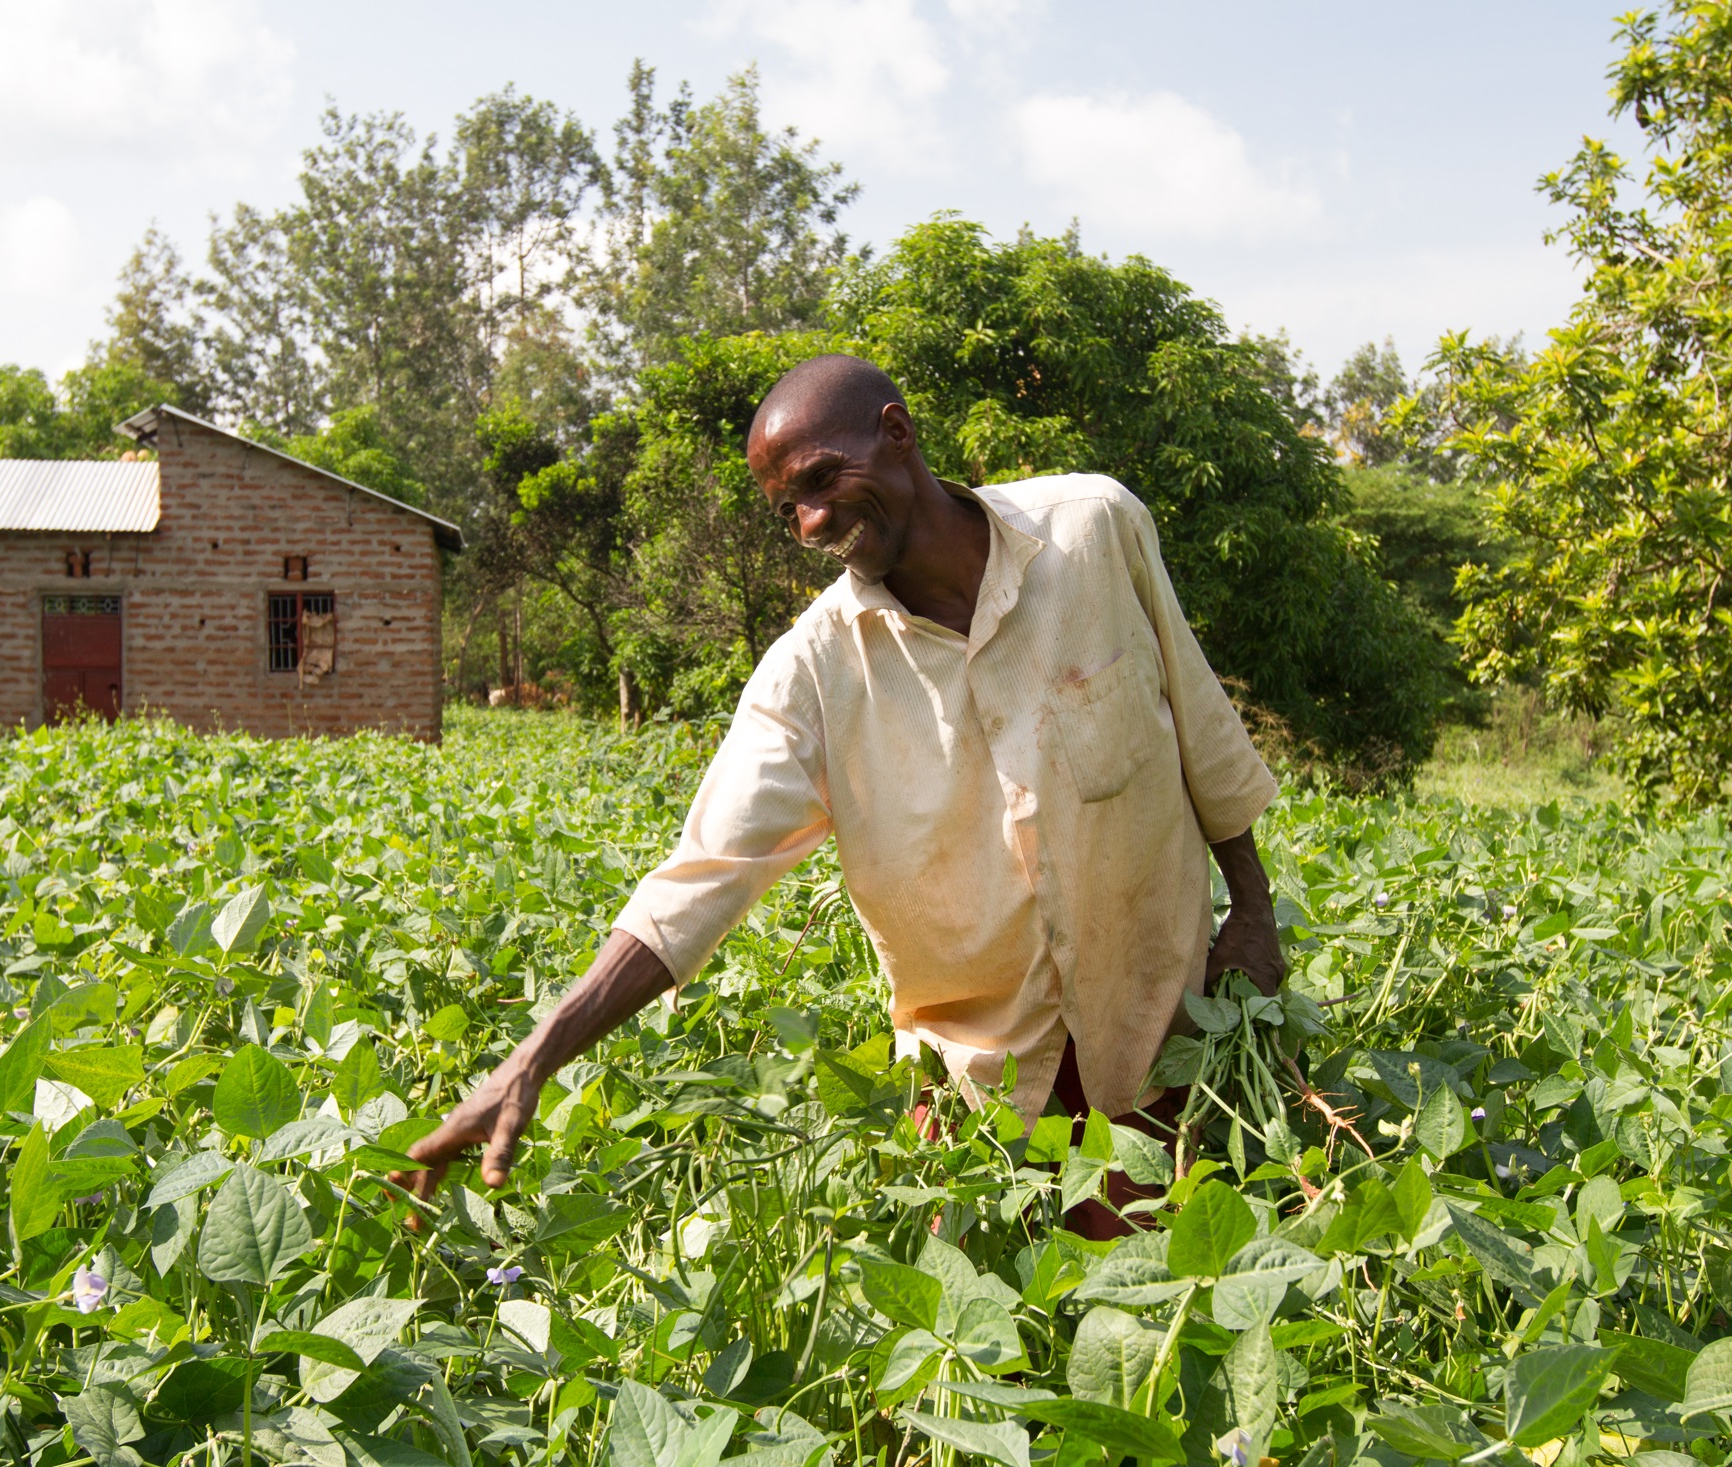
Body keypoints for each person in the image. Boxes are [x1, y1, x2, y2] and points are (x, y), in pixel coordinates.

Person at [393, 354, 1284, 1238]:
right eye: (789, 510)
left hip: (1160, 1044)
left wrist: (1252, 910)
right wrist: (532, 1059)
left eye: (823, 479)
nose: (813, 520)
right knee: (976, 1357)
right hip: (981, 1094)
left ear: (897, 433)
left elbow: (1199, 727)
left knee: (1156, 1329)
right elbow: (695, 884)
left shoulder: (1093, 531)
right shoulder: (812, 674)